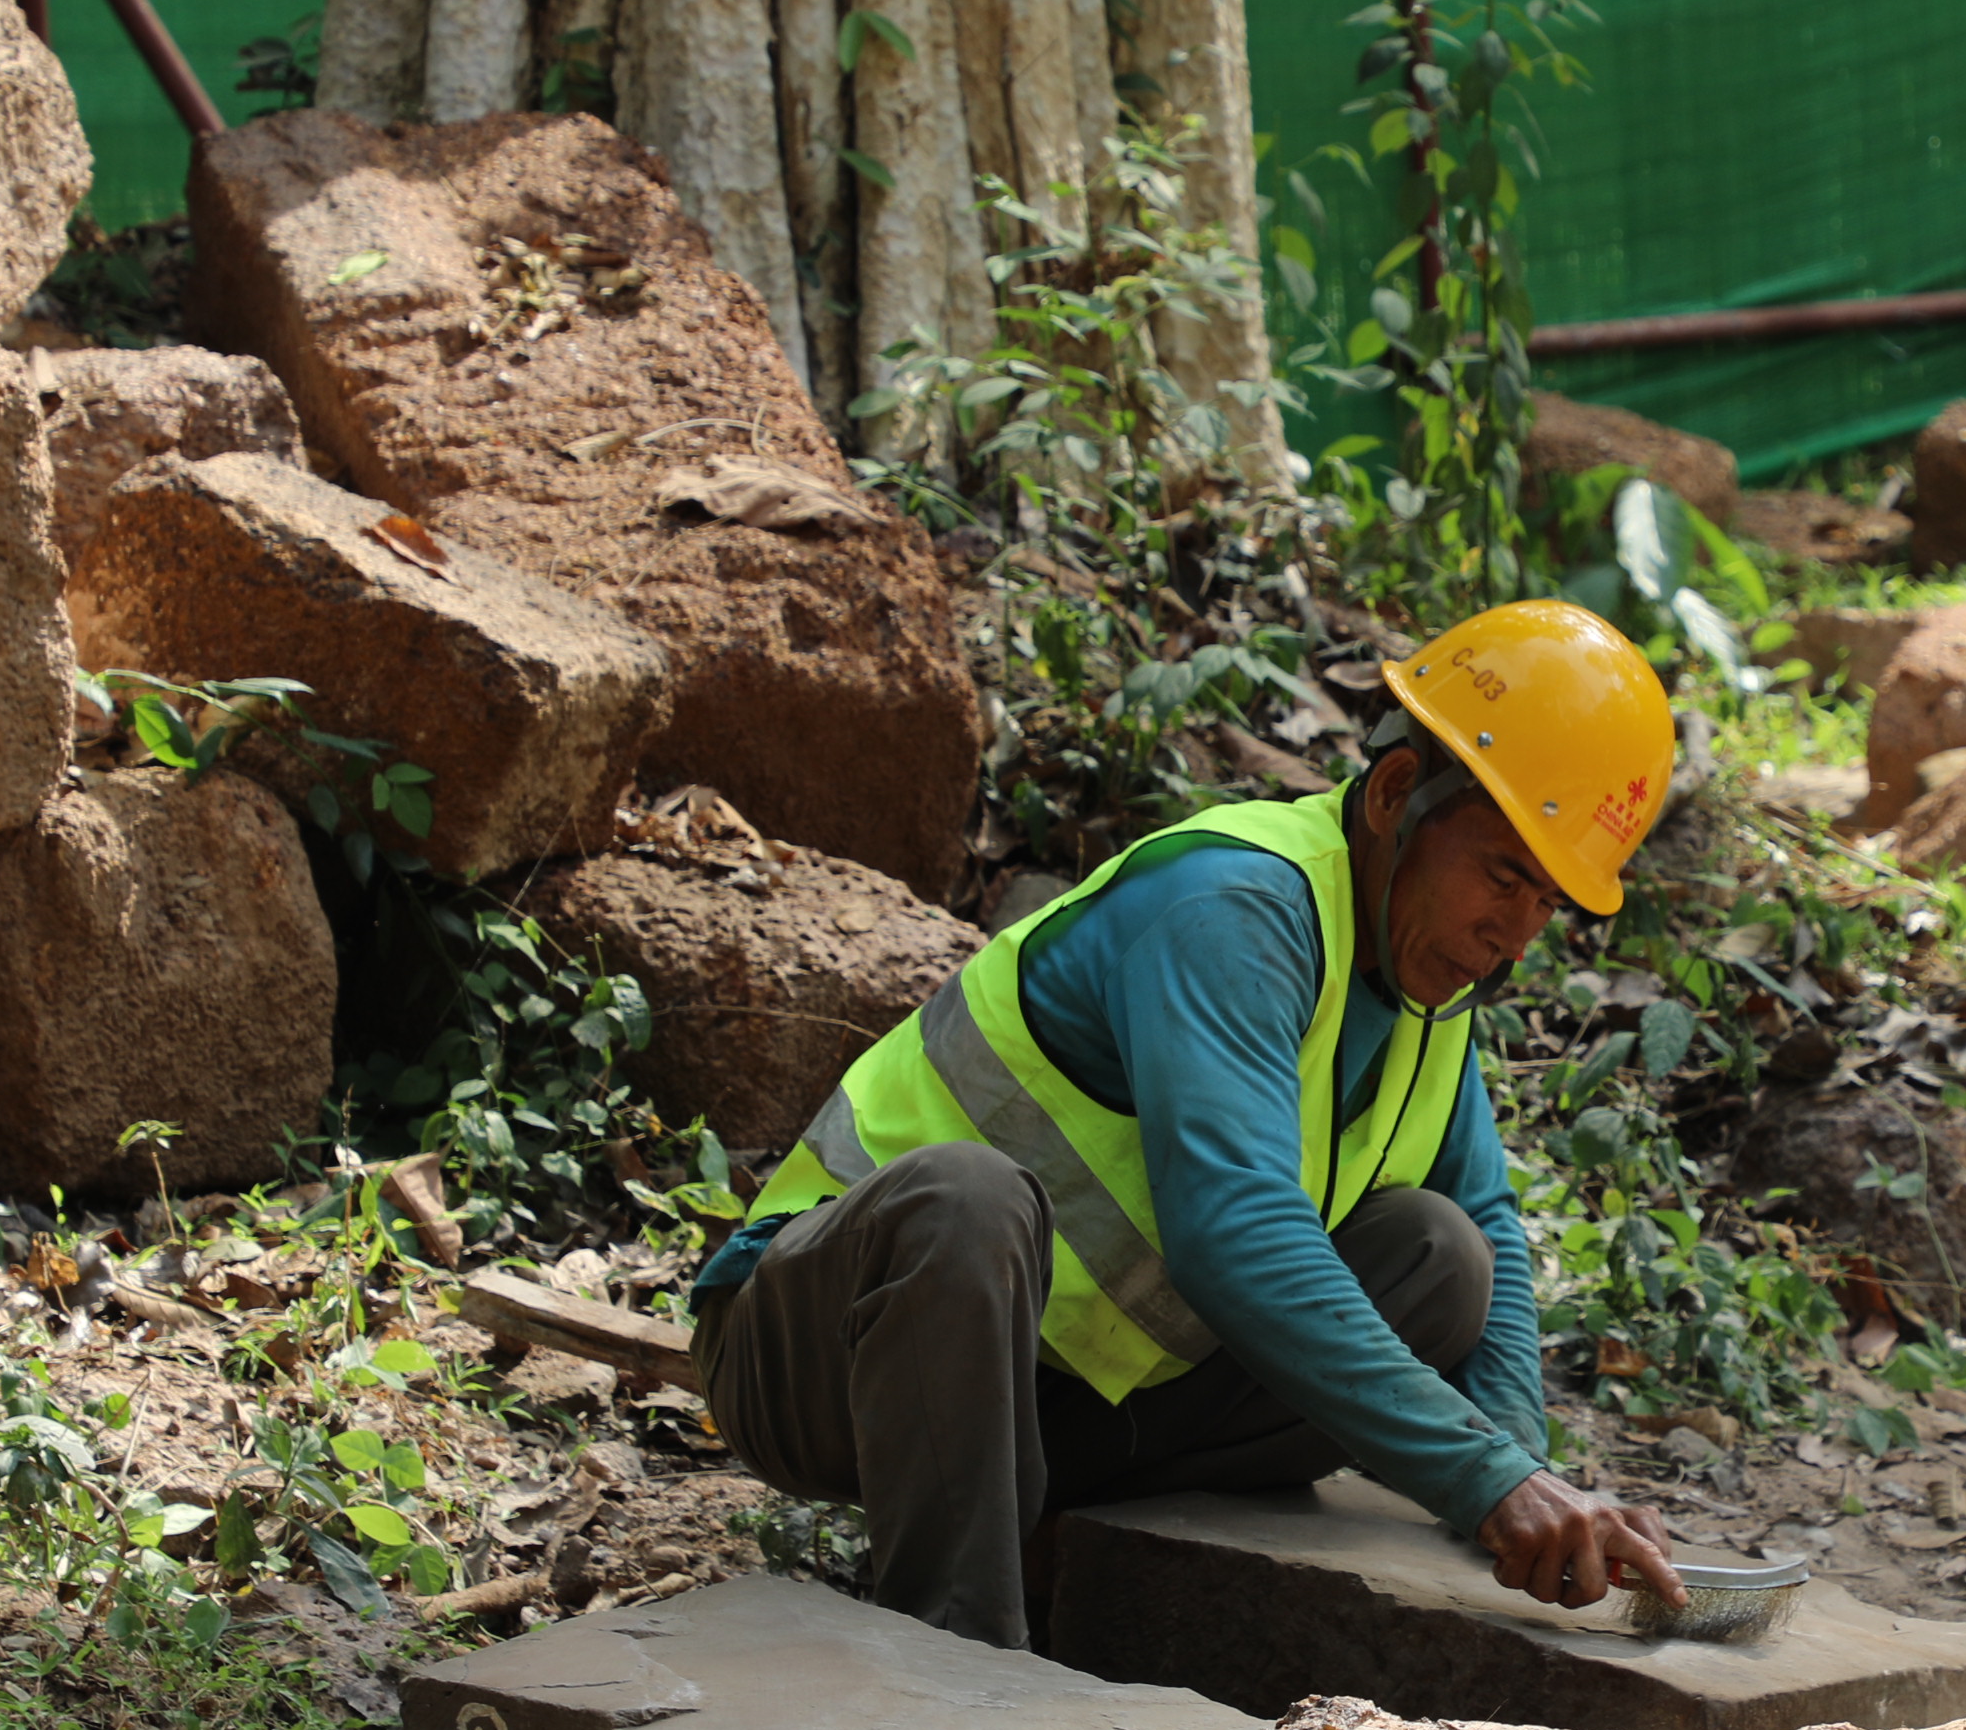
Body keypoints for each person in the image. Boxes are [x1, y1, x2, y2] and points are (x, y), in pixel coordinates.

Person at [686, 598, 1688, 1650]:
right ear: (1396, 792)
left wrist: (1525, 1470)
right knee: (965, 1200)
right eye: (1503, 877)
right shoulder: (1232, 905)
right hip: (821, 1356)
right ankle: (960, 1654)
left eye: (1547, 903)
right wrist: (1488, 1480)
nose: (1515, 938)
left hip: (1058, 1413)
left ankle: (1052, 1539)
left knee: (1441, 1260)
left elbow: (1485, 1226)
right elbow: (1236, 1232)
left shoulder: (1428, 974)